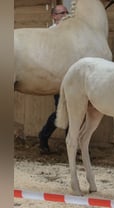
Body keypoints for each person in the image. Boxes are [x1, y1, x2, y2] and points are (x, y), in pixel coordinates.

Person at [38, 5, 68, 154]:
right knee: (60, 112)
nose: (64, 15)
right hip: (57, 78)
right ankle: (43, 136)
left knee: (74, 112)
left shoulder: (71, 32)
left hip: (70, 78)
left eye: (66, 12)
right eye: (61, 13)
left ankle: (72, 146)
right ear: (54, 16)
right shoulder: (49, 34)